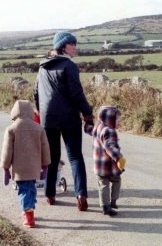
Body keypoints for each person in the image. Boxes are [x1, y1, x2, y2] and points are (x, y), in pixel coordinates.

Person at [33, 31, 94, 211]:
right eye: (71, 44)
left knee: (52, 157)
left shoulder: (42, 66)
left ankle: (50, 194)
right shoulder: (69, 66)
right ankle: (81, 195)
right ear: (62, 46)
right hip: (69, 117)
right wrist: (88, 113)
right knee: (75, 156)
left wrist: (40, 110)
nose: (75, 47)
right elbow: (76, 93)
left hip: (48, 118)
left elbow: (35, 92)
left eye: (75, 44)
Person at [0, 100, 51, 228]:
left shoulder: (11, 129)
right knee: (31, 188)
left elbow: (7, 150)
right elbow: (45, 148)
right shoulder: (39, 128)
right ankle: (29, 210)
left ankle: (29, 216)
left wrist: (5, 168)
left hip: (20, 168)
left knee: (23, 190)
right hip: (34, 167)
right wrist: (45, 165)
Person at [84, 106, 126, 216]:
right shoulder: (109, 131)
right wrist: (118, 157)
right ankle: (112, 201)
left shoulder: (98, 127)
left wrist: (88, 121)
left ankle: (105, 206)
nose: (119, 122)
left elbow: (88, 129)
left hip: (99, 165)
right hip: (110, 165)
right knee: (116, 181)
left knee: (103, 185)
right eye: (117, 119)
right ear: (109, 119)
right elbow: (110, 146)